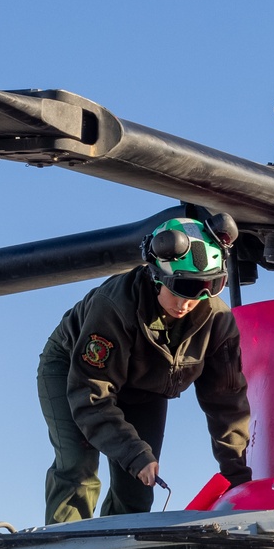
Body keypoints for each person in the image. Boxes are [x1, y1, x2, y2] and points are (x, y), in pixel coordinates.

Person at [38, 212, 251, 522]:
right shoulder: (113, 307)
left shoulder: (218, 323)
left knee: (138, 492)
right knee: (79, 470)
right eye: (181, 287)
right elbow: (91, 396)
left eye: (205, 287)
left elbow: (227, 403)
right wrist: (134, 453)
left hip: (145, 387)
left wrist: (238, 475)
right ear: (156, 275)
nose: (188, 302)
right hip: (77, 373)